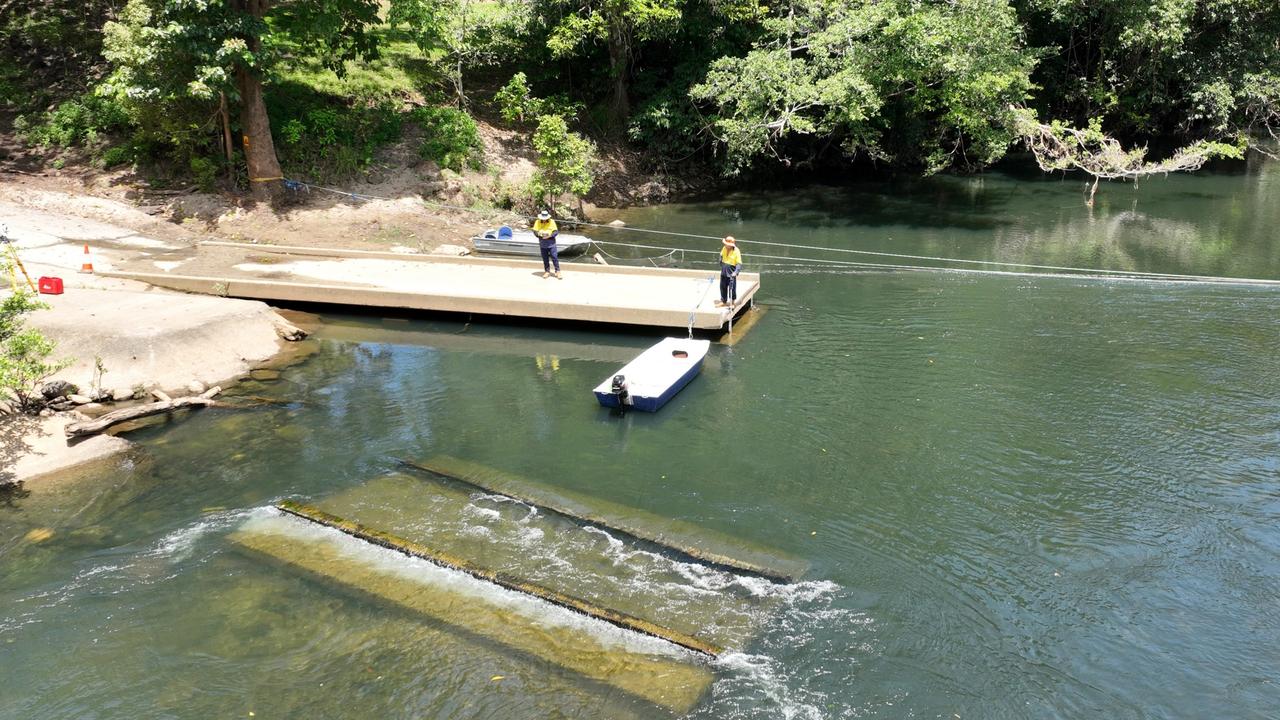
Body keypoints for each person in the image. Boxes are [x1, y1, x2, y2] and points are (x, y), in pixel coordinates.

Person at [532, 209, 561, 279]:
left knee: (554, 257)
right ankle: (547, 271)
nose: (544, 220)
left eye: (546, 219)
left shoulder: (552, 221)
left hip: (551, 243)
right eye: (543, 219)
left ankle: (557, 271)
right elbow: (535, 231)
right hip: (542, 243)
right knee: (545, 258)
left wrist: (549, 236)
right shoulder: (537, 222)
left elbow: (556, 232)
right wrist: (539, 235)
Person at [717, 235, 742, 308]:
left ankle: (732, 303)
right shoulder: (724, 248)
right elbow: (721, 254)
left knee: (732, 288)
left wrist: (736, 272)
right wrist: (720, 260)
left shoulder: (736, 251)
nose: (726, 245)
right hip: (724, 269)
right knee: (722, 286)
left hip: (731, 271)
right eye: (725, 244)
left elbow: (739, 263)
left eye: (727, 244)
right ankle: (723, 301)